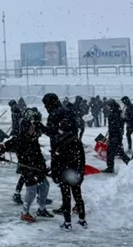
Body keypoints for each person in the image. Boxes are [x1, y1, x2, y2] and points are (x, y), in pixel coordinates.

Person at [42, 93, 87, 230]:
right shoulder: (75, 138)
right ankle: (82, 219)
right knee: (77, 192)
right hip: (75, 163)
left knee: (65, 193)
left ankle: (67, 222)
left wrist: (55, 168)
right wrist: (81, 170)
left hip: (62, 162)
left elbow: (52, 134)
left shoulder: (54, 117)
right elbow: (81, 156)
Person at [6, 118, 53, 222]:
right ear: (25, 128)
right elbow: (5, 146)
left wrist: (43, 166)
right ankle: (24, 213)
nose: (33, 128)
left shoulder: (33, 138)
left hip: (38, 168)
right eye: (30, 126)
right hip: (28, 169)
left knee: (45, 186)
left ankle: (41, 209)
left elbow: (38, 152)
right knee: (31, 191)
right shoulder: (18, 139)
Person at [103, 100, 130, 172]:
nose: (107, 107)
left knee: (113, 152)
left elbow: (122, 123)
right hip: (117, 135)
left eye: (108, 106)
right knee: (117, 152)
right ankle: (130, 163)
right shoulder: (118, 112)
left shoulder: (115, 113)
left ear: (112, 106)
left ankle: (111, 168)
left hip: (115, 135)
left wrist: (112, 135)